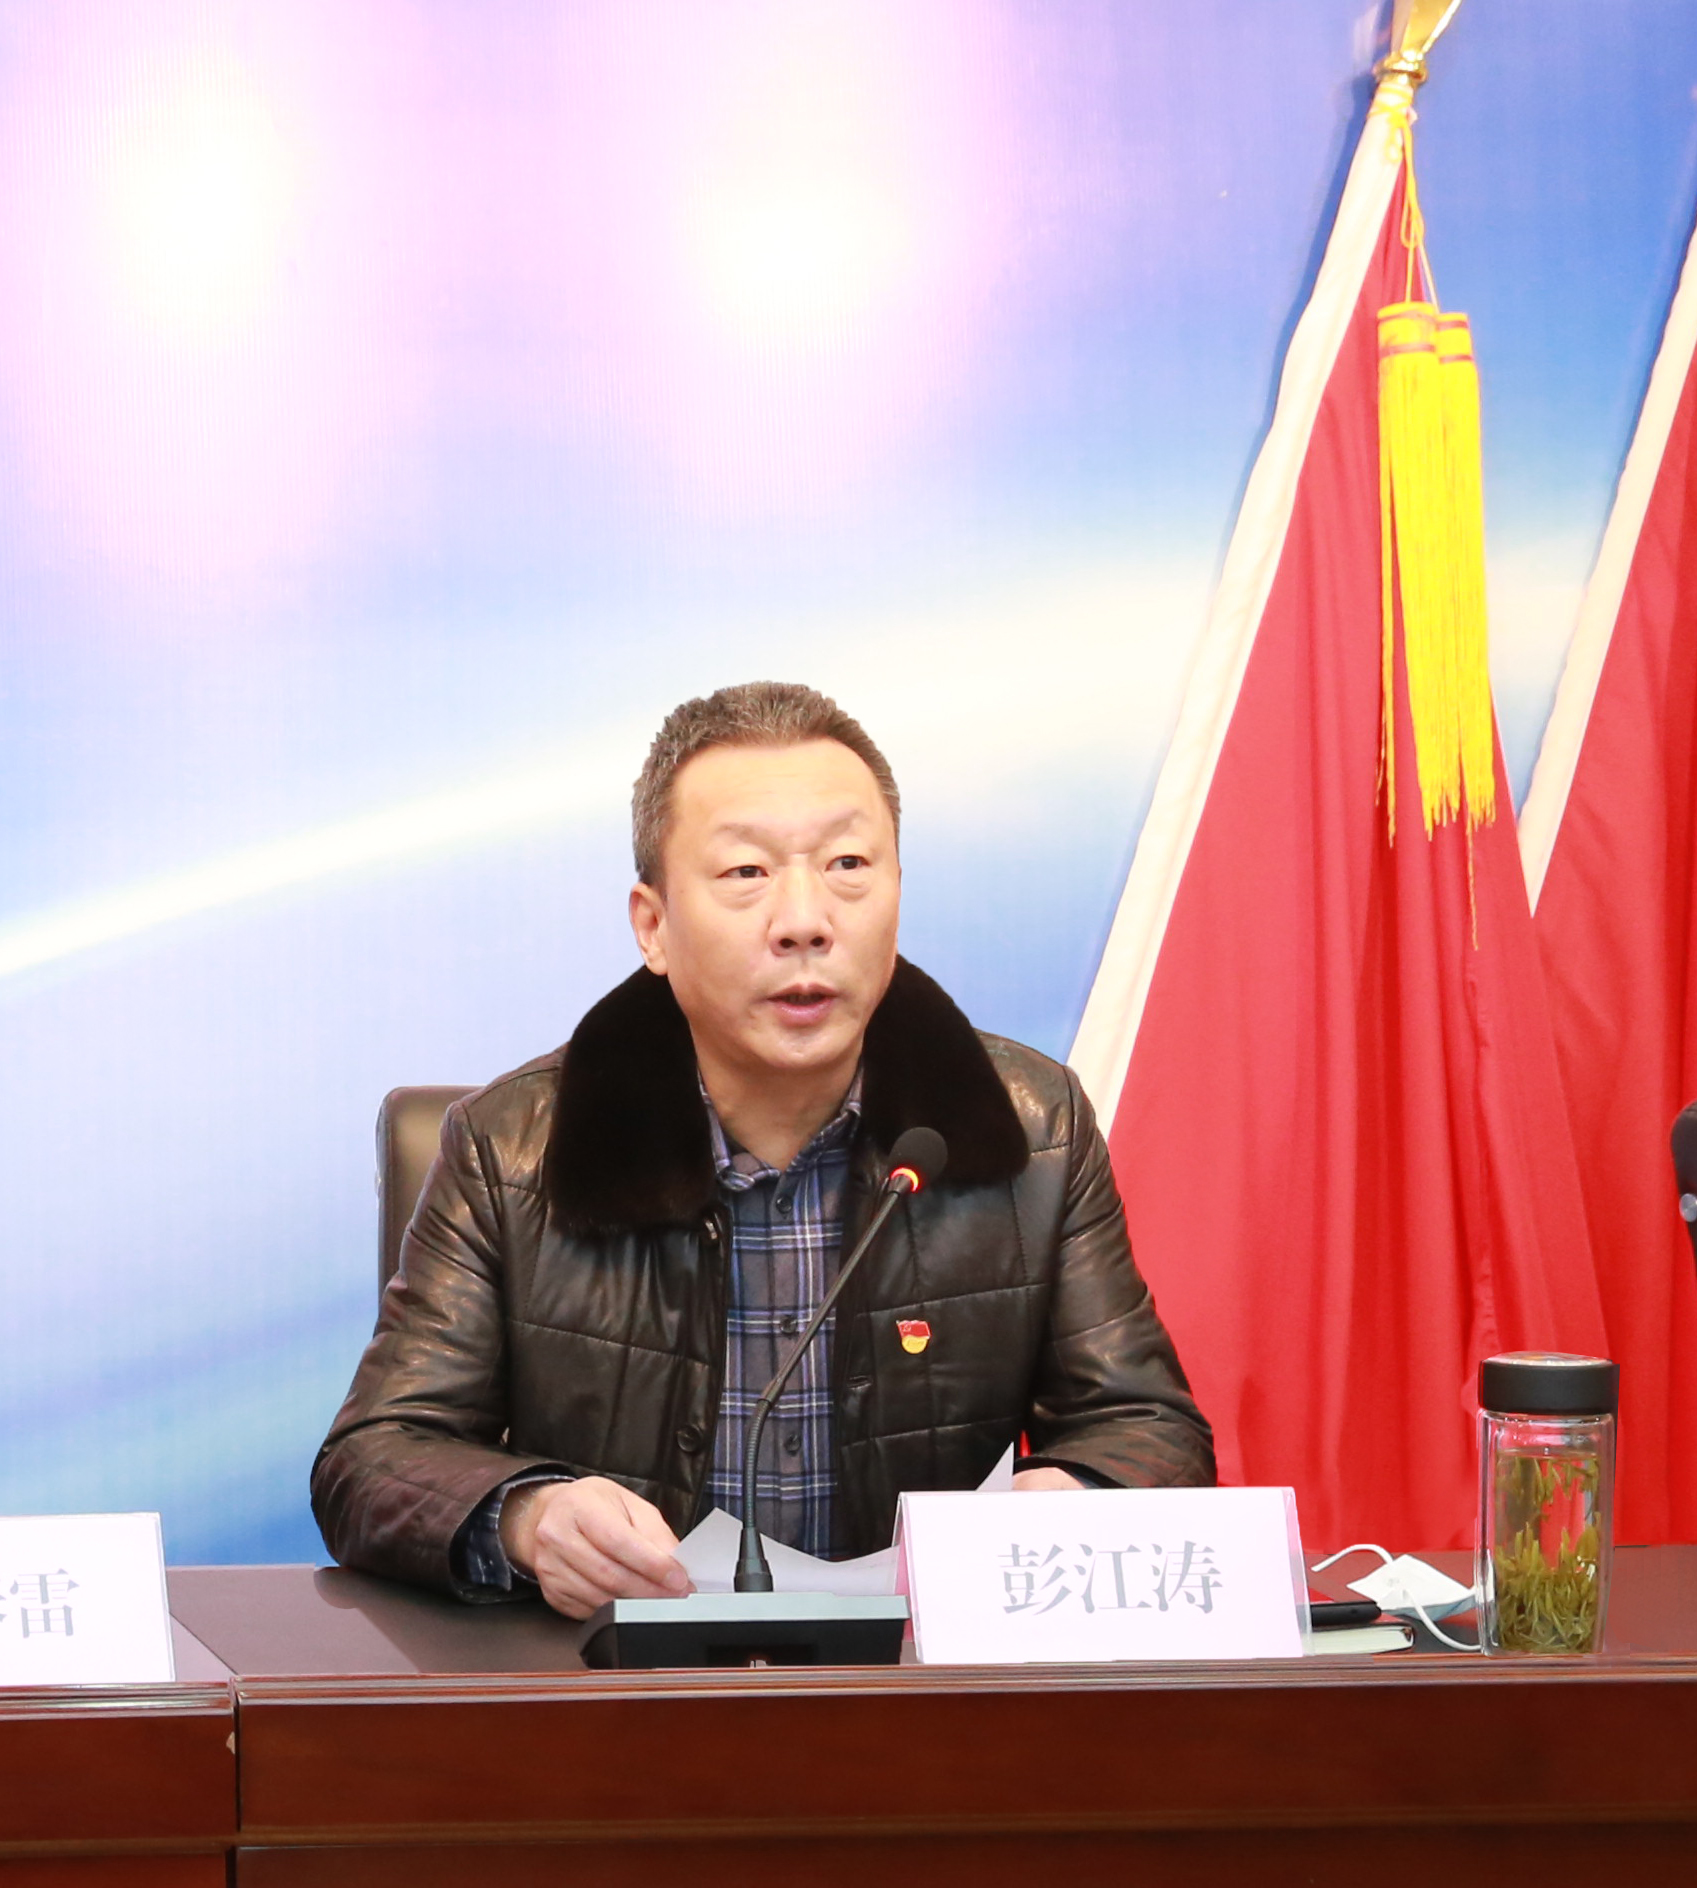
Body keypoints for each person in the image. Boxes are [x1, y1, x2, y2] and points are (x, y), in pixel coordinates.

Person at [315, 680, 1210, 1618]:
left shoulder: (1032, 1130)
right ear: (653, 926)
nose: (805, 921)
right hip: (623, 1686)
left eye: (849, 864)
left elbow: (1149, 1427)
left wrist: (1076, 1497)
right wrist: (529, 1518)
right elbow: (374, 1457)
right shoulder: (510, 1154)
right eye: (747, 873)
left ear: (898, 893)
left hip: (916, 1687)